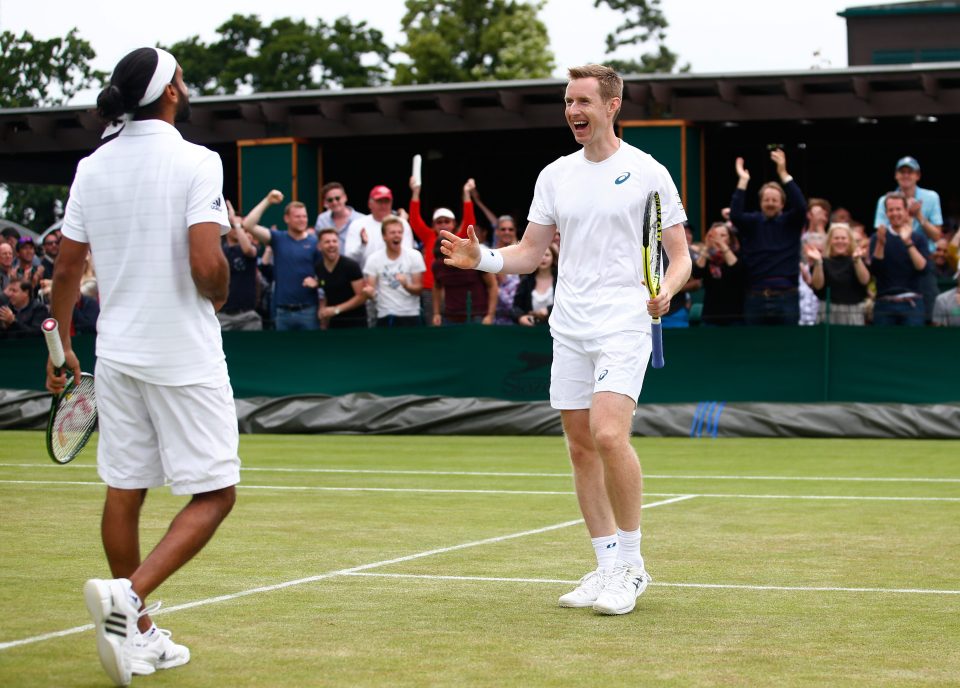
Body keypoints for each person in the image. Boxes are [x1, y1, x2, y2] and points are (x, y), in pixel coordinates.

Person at [440, 64, 691, 615]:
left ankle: (631, 564)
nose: (573, 111)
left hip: (625, 321)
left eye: (582, 101)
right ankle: (604, 567)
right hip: (570, 325)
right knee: (579, 446)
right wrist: (478, 256)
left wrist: (667, 291)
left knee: (606, 433)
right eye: (567, 102)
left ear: (612, 105)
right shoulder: (555, 174)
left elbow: (681, 256)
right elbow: (530, 253)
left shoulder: (649, 172)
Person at [46, 47, 238, 686]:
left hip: (118, 353)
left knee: (125, 489)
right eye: (182, 78)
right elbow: (207, 264)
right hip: (182, 351)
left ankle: (140, 636)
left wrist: (65, 344)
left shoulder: (91, 167)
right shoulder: (198, 161)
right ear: (173, 93)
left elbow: (68, 268)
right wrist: (222, 288)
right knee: (214, 493)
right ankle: (131, 600)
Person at [729, 149, 807, 325]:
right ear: (760, 202)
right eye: (767, 200)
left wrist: (783, 173)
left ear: (782, 203)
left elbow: (801, 207)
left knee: (789, 347)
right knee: (755, 348)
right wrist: (743, 181)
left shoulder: (790, 222)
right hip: (755, 296)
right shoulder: (752, 222)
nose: (770, 203)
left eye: (774, 200)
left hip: (786, 296)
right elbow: (735, 215)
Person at [872, 156, 942, 323]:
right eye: (901, 172)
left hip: (922, 262)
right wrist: (904, 218)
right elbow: (881, 232)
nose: (906, 176)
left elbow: (937, 235)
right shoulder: (885, 199)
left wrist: (918, 216)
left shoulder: (931, 197)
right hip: (893, 260)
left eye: (910, 172)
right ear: (896, 175)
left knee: (929, 313)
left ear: (917, 175)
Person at [243, 190, 319, 331]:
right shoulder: (278, 238)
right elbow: (248, 224)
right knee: (284, 352)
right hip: (282, 311)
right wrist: (268, 200)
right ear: (286, 218)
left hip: (309, 310)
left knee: (311, 351)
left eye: (304, 216)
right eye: (297, 216)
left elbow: (324, 275)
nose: (302, 220)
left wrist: (317, 282)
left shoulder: (315, 243)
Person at [408, 177, 475, 320]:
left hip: (454, 287)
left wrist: (466, 194)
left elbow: (469, 221)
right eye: (439, 222)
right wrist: (415, 193)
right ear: (433, 225)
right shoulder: (428, 236)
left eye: (447, 221)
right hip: (430, 288)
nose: (443, 224)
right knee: (433, 327)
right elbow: (414, 220)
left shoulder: (459, 237)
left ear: (454, 223)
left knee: (455, 326)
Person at [870, 192, 929, 326]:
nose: (895, 213)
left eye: (898, 209)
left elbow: (923, 268)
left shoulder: (918, 238)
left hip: (912, 304)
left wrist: (908, 242)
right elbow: (875, 271)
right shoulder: (877, 237)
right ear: (886, 213)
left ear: (906, 211)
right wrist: (881, 243)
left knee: (912, 345)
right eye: (891, 210)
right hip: (884, 304)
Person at [362, 215, 426, 327]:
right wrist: (370, 293)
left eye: (399, 232)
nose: (397, 235)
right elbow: (371, 289)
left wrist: (406, 285)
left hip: (410, 314)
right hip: (385, 314)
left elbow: (419, 289)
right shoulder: (373, 259)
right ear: (384, 236)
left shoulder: (414, 255)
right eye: (392, 232)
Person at [806, 223, 870, 325]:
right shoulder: (822, 261)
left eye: (843, 238)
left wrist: (857, 260)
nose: (840, 241)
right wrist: (818, 262)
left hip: (853, 312)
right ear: (830, 241)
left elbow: (865, 280)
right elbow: (817, 285)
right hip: (827, 312)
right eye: (836, 238)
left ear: (849, 241)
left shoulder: (857, 260)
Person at [304, 229, 367, 328]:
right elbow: (326, 291)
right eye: (327, 242)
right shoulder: (318, 267)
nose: (331, 245)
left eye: (334, 241)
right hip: (334, 323)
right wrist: (323, 313)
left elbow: (361, 297)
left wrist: (336, 309)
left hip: (356, 322)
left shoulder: (350, 266)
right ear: (319, 246)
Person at [343, 185, 416, 267]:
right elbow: (348, 259)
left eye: (386, 201)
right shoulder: (358, 225)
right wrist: (362, 246)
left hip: (396, 276)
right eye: (379, 201)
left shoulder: (402, 223)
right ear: (370, 204)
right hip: (364, 276)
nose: (383, 205)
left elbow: (408, 255)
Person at [218, 200, 263, 331]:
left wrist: (237, 224)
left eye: (242, 226)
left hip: (247, 315)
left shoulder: (249, 249)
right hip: (223, 315)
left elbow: (248, 250)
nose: (237, 228)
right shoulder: (220, 250)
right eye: (232, 225)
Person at [691, 221, 746, 326]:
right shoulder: (707, 257)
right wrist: (706, 247)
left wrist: (722, 245)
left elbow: (736, 269)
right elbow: (696, 273)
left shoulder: (738, 255)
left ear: (730, 239)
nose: (718, 238)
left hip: (734, 316)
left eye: (723, 235)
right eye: (715, 236)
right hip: (710, 316)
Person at [511, 245, 558, 326]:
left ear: (553, 258)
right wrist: (520, 317)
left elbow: (568, 303)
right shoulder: (526, 280)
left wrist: (549, 310)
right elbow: (515, 307)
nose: (543, 258)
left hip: (556, 328)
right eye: (540, 255)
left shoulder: (560, 280)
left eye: (547, 255)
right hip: (532, 330)